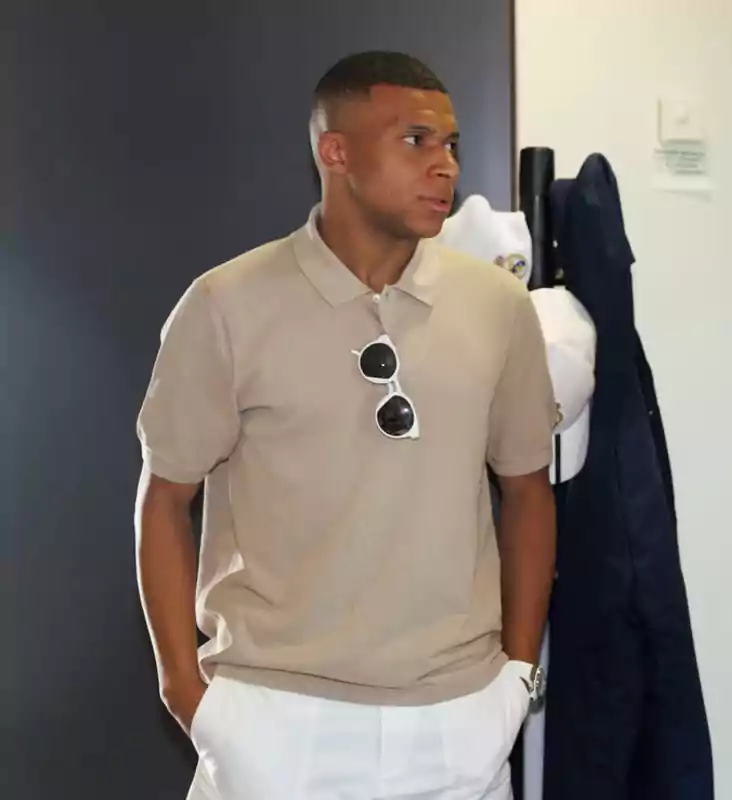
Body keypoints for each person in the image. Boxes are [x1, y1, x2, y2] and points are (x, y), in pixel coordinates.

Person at [134, 51, 558, 800]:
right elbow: (165, 498)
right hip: (276, 722)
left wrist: (516, 678)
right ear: (336, 152)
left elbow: (527, 490)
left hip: (457, 720)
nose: (445, 166)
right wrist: (188, 694)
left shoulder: (499, 307)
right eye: (416, 141)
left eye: (452, 145)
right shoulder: (227, 304)